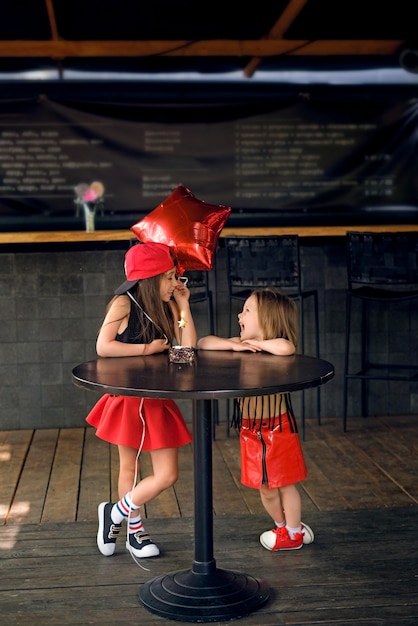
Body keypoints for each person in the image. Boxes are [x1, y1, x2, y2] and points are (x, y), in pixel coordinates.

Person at [86, 241, 197, 559]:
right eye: (169, 277)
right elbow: (103, 346)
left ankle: (114, 513)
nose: (176, 282)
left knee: (168, 475)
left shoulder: (171, 307)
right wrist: (146, 350)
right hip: (129, 397)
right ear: (150, 278)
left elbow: (188, 349)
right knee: (129, 468)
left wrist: (185, 308)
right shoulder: (124, 303)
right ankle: (135, 533)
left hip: (158, 398)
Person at [197, 287, 314, 551]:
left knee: (285, 484)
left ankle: (293, 533)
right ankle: (284, 526)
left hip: (278, 427)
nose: (239, 315)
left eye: (247, 310)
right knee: (265, 488)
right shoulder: (239, 347)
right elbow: (203, 343)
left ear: (268, 319)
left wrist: (259, 345)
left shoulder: (276, 347)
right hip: (251, 430)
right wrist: (233, 345)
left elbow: (286, 347)